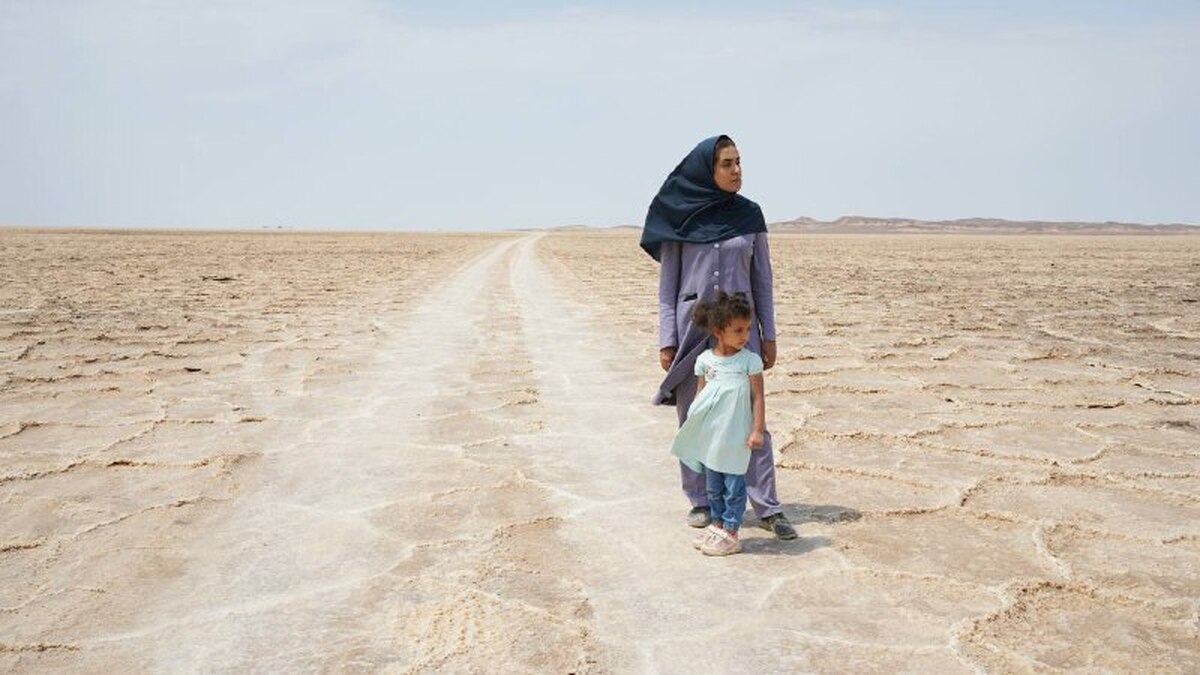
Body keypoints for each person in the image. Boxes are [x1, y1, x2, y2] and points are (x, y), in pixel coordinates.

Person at [640, 134, 797, 540]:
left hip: (740, 332)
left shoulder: (750, 215)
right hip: (693, 334)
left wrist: (769, 334)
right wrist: (666, 340)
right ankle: (700, 501)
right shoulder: (680, 218)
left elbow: (763, 279)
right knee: (696, 417)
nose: (737, 171)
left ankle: (767, 507)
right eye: (727, 164)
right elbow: (668, 287)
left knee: (750, 417)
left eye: (739, 162)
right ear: (707, 171)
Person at [670, 292, 765, 556]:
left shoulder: (749, 361)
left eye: (747, 329)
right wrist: (695, 429)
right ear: (718, 331)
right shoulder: (705, 361)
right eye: (738, 330)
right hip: (713, 435)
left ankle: (732, 533)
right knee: (713, 485)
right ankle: (718, 525)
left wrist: (757, 429)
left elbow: (757, 397)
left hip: (736, 436)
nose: (745, 335)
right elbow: (701, 398)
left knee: (734, 486)